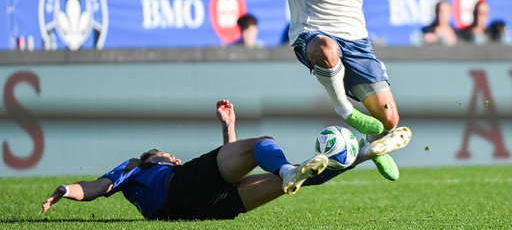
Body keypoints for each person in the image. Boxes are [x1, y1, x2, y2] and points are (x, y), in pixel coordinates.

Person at [186, 0, 443, 181]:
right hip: (311, 35)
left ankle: (372, 149)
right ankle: (344, 109)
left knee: (389, 118)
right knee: (326, 48)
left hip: (356, 39)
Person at [42, 99, 411, 220]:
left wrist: (227, 129)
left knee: (292, 182)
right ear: (156, 157)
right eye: (167, 154)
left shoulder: (155, 176)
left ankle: (362, 154)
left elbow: (225, 176)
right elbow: (98, 186)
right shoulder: (142, 167)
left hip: (202, 209)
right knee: (262, 145)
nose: (172, 155)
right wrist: (68, 188)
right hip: (181, 191)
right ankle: (288, 168)